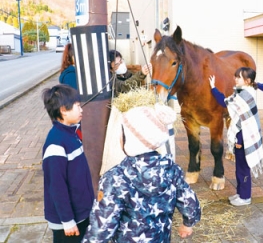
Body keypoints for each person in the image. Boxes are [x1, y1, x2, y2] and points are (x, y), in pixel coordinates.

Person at [82, 100, 201, 242]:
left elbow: (102, 226)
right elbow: (190, 202)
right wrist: (188, 224)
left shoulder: (115, 178)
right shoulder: (172, 170)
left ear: (130, 139)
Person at [41, 84, 94, 243]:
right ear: (63, 110)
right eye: (77, 106)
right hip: (68, 221)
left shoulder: (72, 134)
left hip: (81, 212)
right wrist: (67, 220)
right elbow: (57, 186)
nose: (81, 109)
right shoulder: (56, 143)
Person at [209, 67, 263, 207]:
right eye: (236, 76)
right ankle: (240, 193)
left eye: (238, 77)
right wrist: (213, 88)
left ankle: (245, 197)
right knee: (239, 168)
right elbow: (226, 102)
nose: (235, 79)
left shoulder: (245, 95)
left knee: (243, 169)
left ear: (248, 80)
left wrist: (239, 140)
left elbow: (244, 122)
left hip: (244, 139)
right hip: (242, 137)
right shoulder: (240, 93)